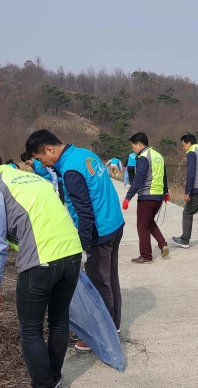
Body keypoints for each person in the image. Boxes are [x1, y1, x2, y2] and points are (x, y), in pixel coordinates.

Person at [0, 149, 83, 388]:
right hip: (73, 253)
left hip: (41, 261)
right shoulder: (33, 179)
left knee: (30, 329)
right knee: (59, 320)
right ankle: (53, 379)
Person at [25, 129, 125, 351]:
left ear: (49, 149)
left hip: (99, 231)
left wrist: (84, 245)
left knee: (100, 284)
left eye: (42, 159)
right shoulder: (84, 154)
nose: (46, 165)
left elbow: (85, 211)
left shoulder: (70, 170)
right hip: (115, 222)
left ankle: (103, 335)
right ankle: (114, 325)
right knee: (111, 279)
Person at [122, 132, 170, 264]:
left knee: (142, 225)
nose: (133, 149)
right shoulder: (158, 156)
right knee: (149, 222)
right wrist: (166, 192)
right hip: (158, 197)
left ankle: (146, 256)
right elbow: (164, 175)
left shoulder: (143, 157)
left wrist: (128, 197)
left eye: (133, 146)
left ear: (139, 144)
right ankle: (162, 244)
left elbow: (139, 178)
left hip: (147, 196)